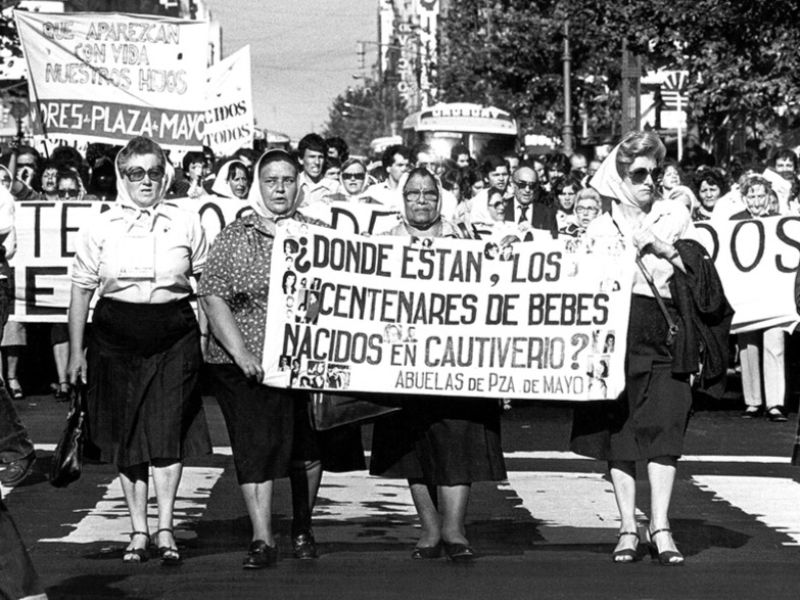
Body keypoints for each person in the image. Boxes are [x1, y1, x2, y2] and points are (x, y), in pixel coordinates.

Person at [570, 131, 730, 566]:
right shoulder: (601, 226)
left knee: (664, 430)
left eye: (656, 172)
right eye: (639, 173)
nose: (649, 181)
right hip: (616, 335)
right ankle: (626, 527)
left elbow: (703, 270)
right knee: (620, 434)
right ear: (619, 177)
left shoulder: (674, 214)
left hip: (665, 329)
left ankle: (660, 527)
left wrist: (660, 245)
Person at [199, 149, 364, 568]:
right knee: (256, 449)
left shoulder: (321, 234)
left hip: (304, 362)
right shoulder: (237, 235)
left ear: (299, 185)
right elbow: (212, 293)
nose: (279, 188)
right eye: (271, 180)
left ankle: (303, 527)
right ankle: (262, 537)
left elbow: (345, 292)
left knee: (307, 448)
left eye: (287, 180)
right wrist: (241, 353)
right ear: (259, 184)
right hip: (247, 365)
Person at [68, 136, 211, 566]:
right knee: (127, 435)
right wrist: (76, 352)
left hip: (174, 334)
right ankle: (138, 530)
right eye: (136, 173)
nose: (146, 181)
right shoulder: (101, 225)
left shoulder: (186, 221)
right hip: (116, 334)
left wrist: (204, 338)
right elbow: (80, 289)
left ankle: (166, 527)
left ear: (165, 175)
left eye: (153, 172)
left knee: (168, 431)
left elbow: (206, 285)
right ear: (122, 176)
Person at [370, 167, 506, 561]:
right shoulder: (381, 244)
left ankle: (455, 528)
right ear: (403, 198)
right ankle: (429, 528)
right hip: (401, 361)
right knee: (413, 445)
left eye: (429, 193)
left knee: (458, 441)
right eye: (413, 194)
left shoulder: (465, 238)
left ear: (440, 197)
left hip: (457, 362)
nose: (422, 200)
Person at [732, 176, 788, 422]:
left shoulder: (780, 223)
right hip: (745, 296)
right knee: (748, 346)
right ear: (744, 198)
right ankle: (752, 401)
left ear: (769, 197)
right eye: (751, 196)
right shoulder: (734, 224)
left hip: (774, 294)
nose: (756, 201)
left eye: (760, 196)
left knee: (774, 344)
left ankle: (775, 402)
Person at [504, 165, 557, 235]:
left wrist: (535, 232)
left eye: (532, 185)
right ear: (513, 185)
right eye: (522, 184)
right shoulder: (502, 208)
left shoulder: (548, 214)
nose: (527, 190)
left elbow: (553, 241)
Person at [296, 133, 337, 208]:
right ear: (301, 159)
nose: (317, 162)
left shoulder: (334, 187)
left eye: (320, 157)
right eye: (312, 157)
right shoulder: (293, 184)